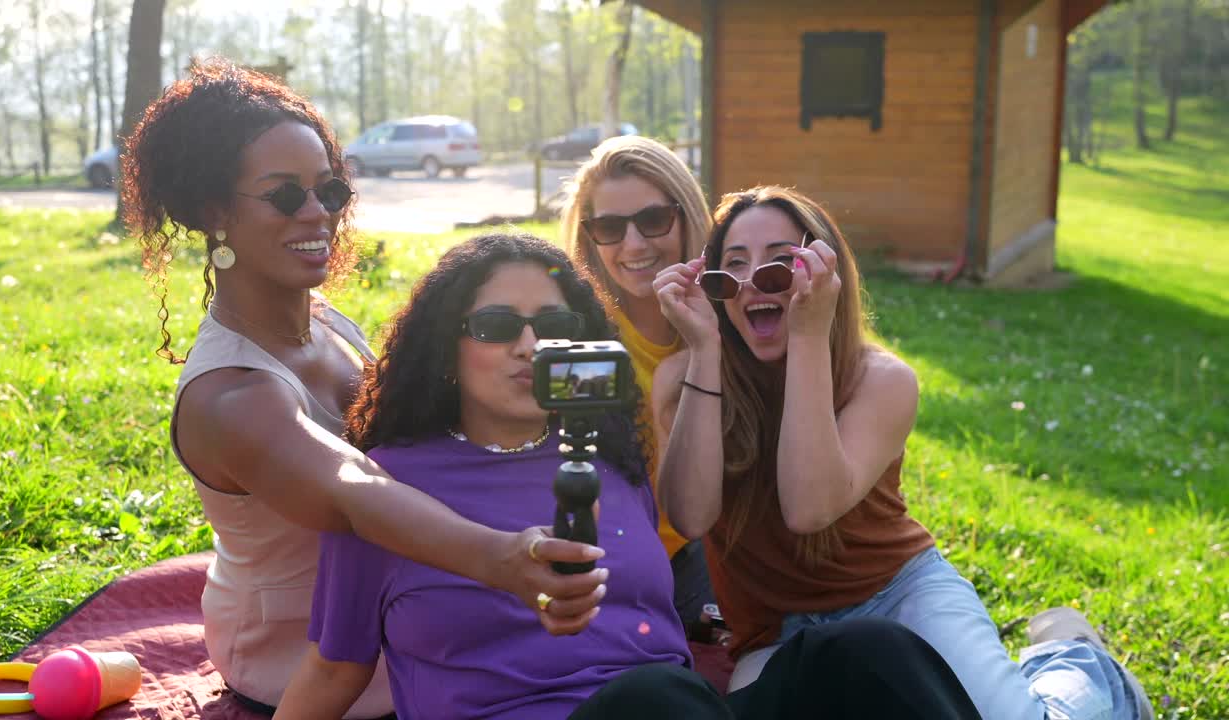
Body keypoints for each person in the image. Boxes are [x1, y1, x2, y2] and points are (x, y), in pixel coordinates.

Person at [273, 232, 982, 720]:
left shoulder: (608, 461)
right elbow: (335, 669)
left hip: (676, 708)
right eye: (494, 326)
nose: (529, 345)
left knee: (865, 653)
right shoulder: (388, 489)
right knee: (653, 702)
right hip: (634, 711)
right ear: (443, 349)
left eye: (552, 324)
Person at [120, 60, 606, 718]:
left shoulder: (329, 323)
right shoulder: (229, 396)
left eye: (331, 190)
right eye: (286, 195)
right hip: (301, 674)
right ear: (215, 212)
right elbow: (356, 493)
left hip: (400, 628)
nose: (318, 212)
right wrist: (501, 558)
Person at [650, 185, 1156, 720]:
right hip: (773, 629)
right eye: (733, 268)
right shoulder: (683, 378)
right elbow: (692, 515)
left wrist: (808, 337)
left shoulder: (883, 380)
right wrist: (705, 350)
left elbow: (807, 507)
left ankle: (1079, 663)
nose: (754, 283)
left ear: (826, 276)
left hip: (898, 595)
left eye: (781, 265)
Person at [558, 136, 716, 631]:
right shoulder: (579, 339)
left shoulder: (735, 312)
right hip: (621, 568)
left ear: (687, 216)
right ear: (589, 238)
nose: (634, 245)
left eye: (653, 220)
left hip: (720, 548)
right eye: (609, 227)